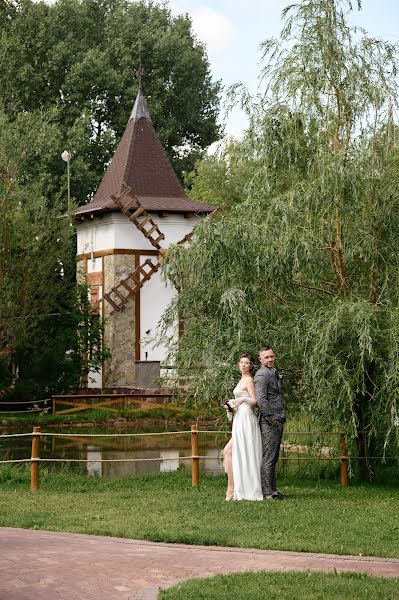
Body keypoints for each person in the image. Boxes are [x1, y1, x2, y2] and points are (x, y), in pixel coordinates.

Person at [223, 355, 263, 501]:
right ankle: (232, 488)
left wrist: (243, 399)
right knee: (231, 451)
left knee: (229, 450)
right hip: (239, 417)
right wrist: (231, 406)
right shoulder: (241, 380)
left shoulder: (249, 380)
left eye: (247, 363)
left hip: (246, 418)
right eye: (241, 362)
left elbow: (255, 402)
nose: (243, 365)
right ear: (238, 364)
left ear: (251, 366)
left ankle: (232, 490)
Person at [254, 346, 286, 500]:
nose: (270, 359)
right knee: (269, 457)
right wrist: (272, 418)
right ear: (260, 359)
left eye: (272, 356)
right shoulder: (261, 375)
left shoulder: (272, 373)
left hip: (278, 418)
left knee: (273, 457)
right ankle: (267, 493)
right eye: (266, 357)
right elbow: (261, 400)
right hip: (270, 421)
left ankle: (273, 490)